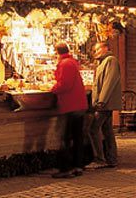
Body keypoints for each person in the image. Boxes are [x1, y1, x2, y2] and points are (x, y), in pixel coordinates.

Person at [51, 42, 88, 178]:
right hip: (78, 105)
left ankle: (65, 168)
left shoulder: (65, 64)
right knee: (77, 137)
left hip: (70, 106)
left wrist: (53, 89)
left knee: (65, 138)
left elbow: (64, 85)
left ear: (57, 52)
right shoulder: (71, 62)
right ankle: (78, 166)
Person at [88, 41, 122, 169]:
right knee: (107, 131)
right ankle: (111, 159)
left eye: (97, 49)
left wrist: (101, 101)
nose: (95, 53)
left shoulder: (110, 60)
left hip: (104, 104)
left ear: (105, 48)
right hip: (104, 103)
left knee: (93, 129)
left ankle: (99, 159)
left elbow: (109, 81)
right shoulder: (102, 62)